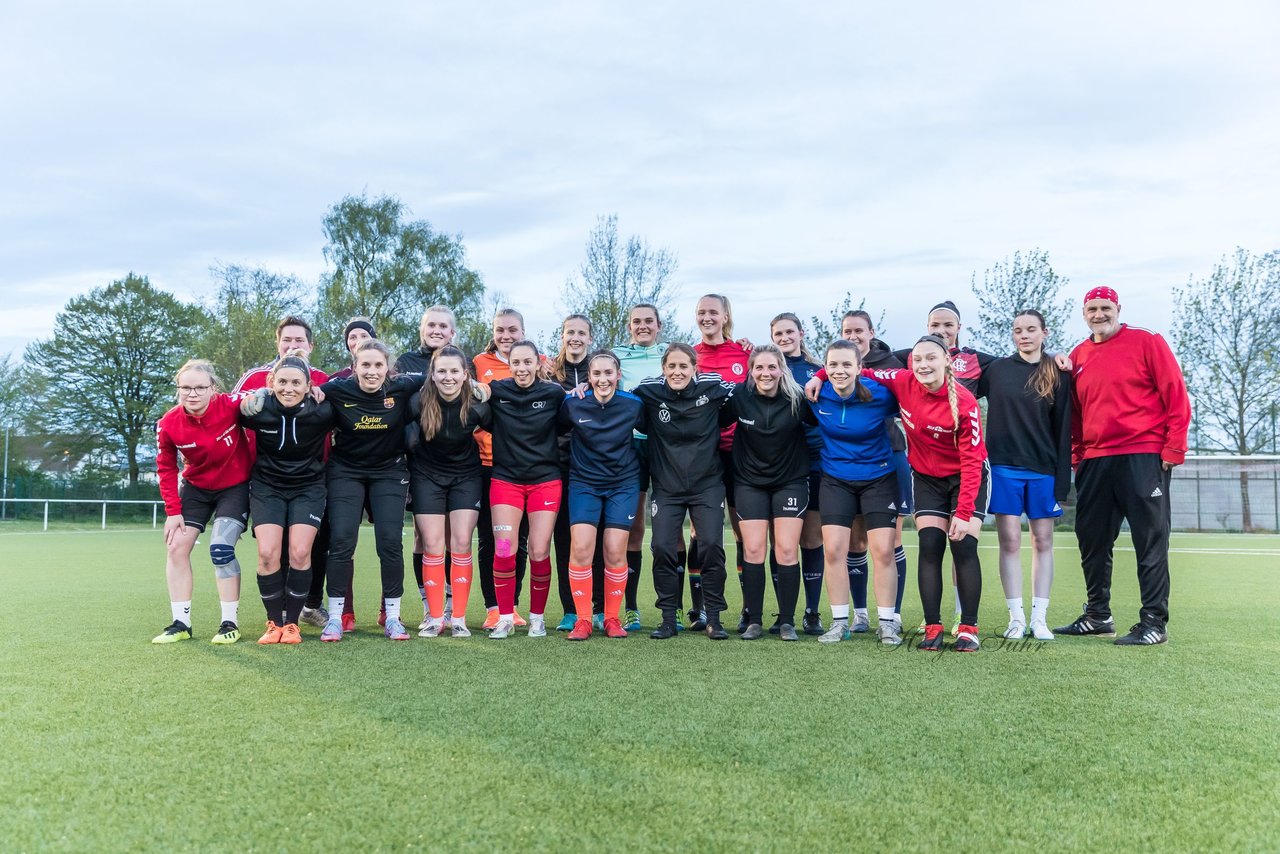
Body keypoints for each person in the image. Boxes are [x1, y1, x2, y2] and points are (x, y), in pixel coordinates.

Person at [1056, 287, 1191, 646]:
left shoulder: (1148, 341)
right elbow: (1076, 415)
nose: (1099, 314)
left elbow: (1176, 393)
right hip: (1095, 461)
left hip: (1143, 455)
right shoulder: (1078, 354)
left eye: (1105, 308)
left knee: (1150, 540)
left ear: (1118, 309)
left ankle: (1153, 624)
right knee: (1091, 539)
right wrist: (1077, 457)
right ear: (1084, 313)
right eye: (1092, 309)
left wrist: (1173, 448)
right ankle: (1098, 615)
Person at [866, 335, 990, 652]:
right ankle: (932, 627)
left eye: (931, 358)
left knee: (963, 545)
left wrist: (963, 513)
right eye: (918, 359)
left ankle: (968, 628)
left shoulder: (964, 402)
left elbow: (973, 461)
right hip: (926, 478)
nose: (923, 364)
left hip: (966, 476)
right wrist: (822, 375)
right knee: (930, 545)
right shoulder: (903, 380)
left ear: (946, 361)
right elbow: (862, 372)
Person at [314, 340, 425, 642]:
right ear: (354, 367)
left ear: (388, 368)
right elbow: (307, 390)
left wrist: (479, 386)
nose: (372, 371)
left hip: (389, 472)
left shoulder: (402, 386)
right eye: (366, 365)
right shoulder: (337, 389)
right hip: (345, 472)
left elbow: (442, 375)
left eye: (378, 365)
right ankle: (335, 618)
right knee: (341, 541)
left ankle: (392, 617)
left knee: (389, 541)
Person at [232, 315, 332, 628]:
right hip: (265, 480)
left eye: (299, 340)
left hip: (313, 479)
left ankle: (303, 612)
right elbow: (226, 408)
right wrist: (254, 396)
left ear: (310, 345)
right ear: (278, 343)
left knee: (305, 550)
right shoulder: (256, 377)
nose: (292, 345)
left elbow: (353, 405)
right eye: (286, 340)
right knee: (270, 551)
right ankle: (276, 620)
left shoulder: (324, 382)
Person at [976, 310, 1071, 641]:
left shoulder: (1058, 372)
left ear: (1045, 332)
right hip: (1003, 468)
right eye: (1017, 330)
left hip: (1043, 470)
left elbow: (1063, 431)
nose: (1024, 335)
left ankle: (1038, 618)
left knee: (1043, 541)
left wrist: (1062, 480)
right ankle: (1016, 617)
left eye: (1031, 329)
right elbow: (959, 365)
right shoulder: (997, 370)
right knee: (1010, 541)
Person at [633, 343, 736, 640]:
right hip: (667, 488)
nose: (677, 372)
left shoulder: (713, 386)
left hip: (707, 485)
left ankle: (713, 618)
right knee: (663, 547)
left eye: (683, 366)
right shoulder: (649, 391)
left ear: (694, 368)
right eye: (671, 366)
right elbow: (621, 397)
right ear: (663, 369)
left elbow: (746, 390)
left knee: (711, 547)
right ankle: (668, 617)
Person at [807, 341, 904, 645]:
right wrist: (817, 377)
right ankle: (839, 622)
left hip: (879, 478)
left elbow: (913, 398)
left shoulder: (881, 395)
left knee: (883, 551)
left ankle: (887, 623)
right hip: (835, 480)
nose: (840, 370)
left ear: (859, 368)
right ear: (826, 367)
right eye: (833, 365)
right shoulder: (815, 393)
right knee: (834, 550)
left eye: (847, 365)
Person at [153, 360, 252, 644]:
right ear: (178, 390)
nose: (192, 393)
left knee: (221, 549)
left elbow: (262, 394)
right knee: (176, 547)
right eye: (185, 387)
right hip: (196, 489)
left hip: (234, 487)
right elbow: (166, 469)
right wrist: (173, 512)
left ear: (213, 389)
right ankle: (181, 623)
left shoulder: (230, 404)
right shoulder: (168, 423)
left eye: (199, 387)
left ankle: (229, 623)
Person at [721, 344, 812, 641]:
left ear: (781, 369)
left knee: (786, 550)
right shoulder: (739, 396)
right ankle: (755, 621)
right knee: (754, 550)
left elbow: (826, 417)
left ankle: (787, 622)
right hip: (749, 482)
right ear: (751, 370)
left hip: (790, 481)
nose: (765, 373)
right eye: (759, 367)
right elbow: (712, 418)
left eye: (772, 367)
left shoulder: (798, 398)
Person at [559, 351, 645, 640]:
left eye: (609, 373)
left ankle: (611, 618)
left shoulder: (634, 405)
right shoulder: (573, 403)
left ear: (618, 375)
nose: (603, 379)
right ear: (589, 377)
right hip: (584, 483)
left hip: (623, 483)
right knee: (581, 549)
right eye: (597, 374)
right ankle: (583, 619)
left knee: (614, 550)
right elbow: (553, 430)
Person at [484, 340, 566, 639]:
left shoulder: (554, 393)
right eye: (515, 362)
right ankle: (505, 617)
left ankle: (537, 618)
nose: (521, 368)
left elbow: (570, 417)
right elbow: (473, 397)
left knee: (539, 550)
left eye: (526, 362)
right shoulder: (497, 391)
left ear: (537, 363)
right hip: (506, 482)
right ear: (510, 364)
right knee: (505, 549)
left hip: (545, 482)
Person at [407, 345, 489, 639]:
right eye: (442, 371)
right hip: (426, 476)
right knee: (432, 544)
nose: (448, 377)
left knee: (462, 542)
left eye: (455, 371)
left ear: (466, 375)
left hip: (466, 477)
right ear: (433, 373)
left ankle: (459, 618)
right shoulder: (417, 401)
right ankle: (434, 617)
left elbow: (504, 428)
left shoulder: (478, 404)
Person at [840, 310, 911, 631]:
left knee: (890, 541)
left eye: (859, 330)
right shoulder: (836, 365)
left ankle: (892, 615)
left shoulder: (891, 365)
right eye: (847, 331)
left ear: (871, 332)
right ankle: (860, 614)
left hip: (888, 457)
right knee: (856, 542)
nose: (853, 336)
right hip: (849, 463)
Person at [614, 303, 683, 631]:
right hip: (632, 446)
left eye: (648, 321)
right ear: (629, 326)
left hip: (669, 446)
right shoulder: (616, 355)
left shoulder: (671, 353)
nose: (642, 326)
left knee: (674, 530)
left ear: (659, 325)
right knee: (635, 528)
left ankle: (679, 607)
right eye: (636, 321)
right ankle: (630, 607)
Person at [395, 306, 459, 631]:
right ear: (422, 329)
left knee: (451, 537)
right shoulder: (405, 363)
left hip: (456, 467)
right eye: (430, 324)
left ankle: (449, 605)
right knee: (424, 538)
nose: (436, 330)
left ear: (452, 333)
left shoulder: (463, 363)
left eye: (443, 326)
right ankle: (427, 604)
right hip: (418, 464)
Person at [691, 294, 749, 631]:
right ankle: (699, 610)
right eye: (701, 312)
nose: (707, 317)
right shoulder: (689, 356)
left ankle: (746, 608)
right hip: (704, 455)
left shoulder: (744, 353)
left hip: (741, 453)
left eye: (713, 311)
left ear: (726, 315)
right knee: (701, 531)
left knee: (744, 530)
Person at [473, 308, 532, 629]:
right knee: (489, 539)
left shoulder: (539, 362)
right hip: (486, 465)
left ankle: (514, 604)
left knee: (517, 541)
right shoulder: (479, 363)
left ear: (523, 332)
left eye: (513, 330)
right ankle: (492, 607)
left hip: (524, 467)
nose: (506, 336)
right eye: (500, 330)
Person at [768, 313, 826, 635]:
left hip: (815, 460)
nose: (784, 337)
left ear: (801, 333)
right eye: (778, 333)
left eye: (790, 331)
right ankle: (783, 611)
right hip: (781, 464)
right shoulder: (766, 368)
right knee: (781, 541)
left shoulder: (817, 370)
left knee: (811, 537)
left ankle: (812, 612)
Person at [550, 314, 605, 631]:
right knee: (563, 540)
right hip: (557, 465)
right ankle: (570, 609)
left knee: (592, 540)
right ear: (562, 336)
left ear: (589, 337)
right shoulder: (548, 373)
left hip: (592, 467)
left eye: (581, 332)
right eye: (570, 331)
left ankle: (597, 608)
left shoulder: (599, 370)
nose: (575, 337)